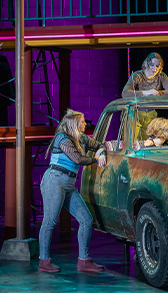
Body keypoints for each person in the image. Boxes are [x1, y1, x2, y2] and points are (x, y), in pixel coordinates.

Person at [38, 109, 107, 274]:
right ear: (74, 124)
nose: (85, 124)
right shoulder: (62, 138)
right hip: (55, 180)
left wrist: (101, 150)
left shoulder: (81, 138)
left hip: (68, 183)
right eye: (82, 122)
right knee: (49, 222)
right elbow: (77, 159)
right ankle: (44, 261)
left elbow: (98, 144)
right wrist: (97, 159)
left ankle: (84, 261)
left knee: (86, 219)